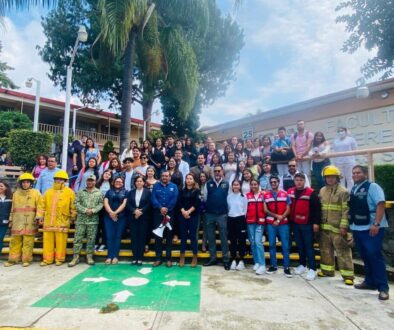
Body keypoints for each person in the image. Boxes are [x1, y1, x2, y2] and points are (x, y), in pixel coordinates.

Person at [350, 165, 389, 300]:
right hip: (358, 227)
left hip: (372, 227)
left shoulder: (373, 187)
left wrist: (376, 223)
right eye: (353, 173)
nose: (355, 175)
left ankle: (383, 287)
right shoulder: (354, 188)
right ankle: (369, 281)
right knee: (365, 256)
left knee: (374, 255)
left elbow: (381, 204)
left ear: (365, 174)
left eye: (358, 173)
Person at [318, 165, 354, 285]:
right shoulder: (322, 190)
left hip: (338, 228)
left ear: (337, 177)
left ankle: (348, 275)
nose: (330, 179)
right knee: (325, 250)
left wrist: (344, 226)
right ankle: (327, 271)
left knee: (343, 251)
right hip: (324, 227)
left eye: (332, 177)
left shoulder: (343, 191)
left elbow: (346, 210)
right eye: (328, 177)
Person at [36, 170, 76, 266]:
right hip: (48, 221)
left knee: (61, 242)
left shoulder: (70, 192)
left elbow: (73, 206)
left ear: (65, 181)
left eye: (61, 179)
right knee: (48, 242)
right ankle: (47, 259)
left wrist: (72, 217)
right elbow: (42, 205)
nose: (59, 181)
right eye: (57, 179)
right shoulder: (48, 192)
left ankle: (60, 259)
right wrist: (39, 216)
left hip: (62, 221)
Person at [288, 173, 321, 281]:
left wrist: (316, 223)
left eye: (301, 180)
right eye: (297, 180)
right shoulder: (291, 192)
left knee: (309, 247)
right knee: (300, 245)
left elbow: (317, 209)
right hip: (295, 224)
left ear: (304, 181)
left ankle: (312, 268)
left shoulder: (311, 193)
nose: (298, 182)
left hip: (307, 224)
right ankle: (302, 265)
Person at [4, 174, 40, 267]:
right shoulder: (16, 193)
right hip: (17, 221)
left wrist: (39, 217)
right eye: (23, 182)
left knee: (28, 242)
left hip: (30, 221)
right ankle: (13, 260)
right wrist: (11, 219)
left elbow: (40, 206)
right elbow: (12, 208)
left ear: (31, 183)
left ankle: (26, 260)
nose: (25, 184)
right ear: (20, 183)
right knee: (15, 241)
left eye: (27, 182)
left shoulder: (36, 193)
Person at [68, 175, 103, 267]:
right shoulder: (80, 192)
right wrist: (85, 210)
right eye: (88, 181)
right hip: (81, 220)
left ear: (95, 182)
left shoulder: (99, 193)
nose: (90, 182)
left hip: (93, 220)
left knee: (91, 239)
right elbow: (76, 203)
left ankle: (89, 256)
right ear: (86, 181)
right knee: (77, 239)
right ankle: (75, 257)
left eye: (92, 181)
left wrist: (93, 210)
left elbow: (101, 204)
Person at [263, 175, 292, 277]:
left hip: (283, 223)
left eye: (275, 182)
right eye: (272, 182)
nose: (273, 184)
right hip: (271, 223)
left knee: (285, 246)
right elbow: (265, 210)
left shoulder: (285, 194)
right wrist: (276, 217)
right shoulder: (266, 195)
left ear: (279, 182)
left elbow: (288, 209)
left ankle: (287, 267)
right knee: (271, 245)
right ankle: (273, 266)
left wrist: (280, 218)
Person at [203, 165, 231, 270]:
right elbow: (205, 198)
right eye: (215, 171)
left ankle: (226, 260)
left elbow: (229, 198)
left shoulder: (227, 184)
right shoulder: (208, 183)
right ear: (213, 172)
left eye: (219, 171)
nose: (217, 172)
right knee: (211, 237)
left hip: (222, 214)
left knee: (223, 237)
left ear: (222, 172)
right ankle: (213, 258)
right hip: (210, 214)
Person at [151, 171, 179, 267]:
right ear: (160, 177)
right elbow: (153, 198)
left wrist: (167, 209)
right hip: (158, 214)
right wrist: (160, 208)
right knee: (158, 236)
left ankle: (168, 259)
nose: (164, 177)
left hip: (170, 214)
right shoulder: (156, 186)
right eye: (163, 175)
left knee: (168, 236)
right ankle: (158, 258)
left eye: (166, 176)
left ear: (170, 177)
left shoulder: (174, 187)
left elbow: (174, 199)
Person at [127, 176, 152, 265]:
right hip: (133, 217)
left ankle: (140, 258)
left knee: (142, 237)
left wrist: (141, 212)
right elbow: (128, 204)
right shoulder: (131, 192)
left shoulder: (148, 192)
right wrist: (134, 211)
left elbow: (149, 203)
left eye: (140, 181)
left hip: (144, 217)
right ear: (135, 183)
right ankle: (134, 258)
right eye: (137, 181)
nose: (139, 182)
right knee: (134, 237)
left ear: (144, 182)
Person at [103, 176, 128, 264]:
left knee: (117, 237)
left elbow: (124, 204)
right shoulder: (108, 192)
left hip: (121, 217)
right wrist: (111, 213)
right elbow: (105, 202)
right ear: (113, 182)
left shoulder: (126, 192)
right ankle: (109, 256)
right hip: (108, 217)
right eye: (117, 181)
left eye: (120, 182)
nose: (118, 183)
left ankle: (115, 256)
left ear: (123, 183)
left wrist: (115, 213)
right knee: (110, 237)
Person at [178, 173, 200, 267]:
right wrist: (183, 211)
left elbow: (197, 203)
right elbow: (179, 202)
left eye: (191, 179)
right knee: (183, 236)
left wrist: (189, 212)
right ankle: (182, 256)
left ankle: (194, 256)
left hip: (193, 216)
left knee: (192, 236)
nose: (189, 180)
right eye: (187, 178)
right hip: (182, 215)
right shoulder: (182, 191)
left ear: (193, 180)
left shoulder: (197, 191)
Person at [245, 178, 266, 275]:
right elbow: (244, 209)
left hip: (260, 222)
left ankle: (262, 264)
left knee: (258, 242)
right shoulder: (247, 196)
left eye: (255, 184)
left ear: (258, 185)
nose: (253, 186)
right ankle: (256, 262)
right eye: (252, 184)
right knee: (252, 242)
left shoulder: (264, 195)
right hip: (250, 221)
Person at [227, 180, 247, 271]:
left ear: (240, 186)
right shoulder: (229, 197)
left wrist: (242, 218)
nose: (235, 186)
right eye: (234, 185)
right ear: (232, 186)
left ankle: (242, 260)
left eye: (237, 184)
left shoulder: (243, 197)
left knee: (241, 240)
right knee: (233, 240)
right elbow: (228, 208)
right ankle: (234, 259)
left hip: (240, 219)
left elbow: (245, 210)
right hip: (231, 219)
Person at [95, 170, 112, 252]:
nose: (107, 175)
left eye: (109, 174)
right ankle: (95, 243)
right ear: (103, 174)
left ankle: (103, 243)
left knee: (105, 226)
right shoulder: (97, 184)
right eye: (106, 173)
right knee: (97, 226)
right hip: (97, 207)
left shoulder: (111, 185)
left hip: (107, 208)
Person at [0, 180, 12, 257]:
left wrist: (11, 220)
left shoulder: (11, 198)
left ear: (6, 188)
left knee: (0, 238)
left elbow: (12, 210)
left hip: (5, 222)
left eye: (1, 186)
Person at [199, 172, 208, 252]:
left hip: (206, 209)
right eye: (201, 176)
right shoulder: (197, 185)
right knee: (197, 227)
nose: (202, 178)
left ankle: (203, 245)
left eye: (203, 176)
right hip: (197, 208)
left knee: (205, 228)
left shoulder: (209, 185)